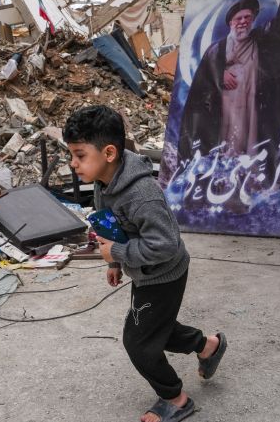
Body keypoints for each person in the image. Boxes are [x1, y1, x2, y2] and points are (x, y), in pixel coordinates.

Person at [64, 105, 227, 422]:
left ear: (109, 152)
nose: (73, 163)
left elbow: (165, 244)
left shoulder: (142, 194)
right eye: (71, 154)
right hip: (145, 271)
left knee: (138, 342)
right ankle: (208, 346)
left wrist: (119, 254)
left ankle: (176, 399)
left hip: (164, 274)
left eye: (80, 155)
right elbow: (112, 226)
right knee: (156, 329)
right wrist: (113, 263)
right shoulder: (103, 183)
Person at [177, 0, 280, 163]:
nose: (243, 21)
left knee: (251, 153)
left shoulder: (262, 40)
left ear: (252, 20)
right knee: (225, 153)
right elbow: (200, 87)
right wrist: (220, 74)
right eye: (238, 18)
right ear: (230, 23)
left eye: (247, 17)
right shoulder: (215, 51)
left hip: (254, 110)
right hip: (224, 113)